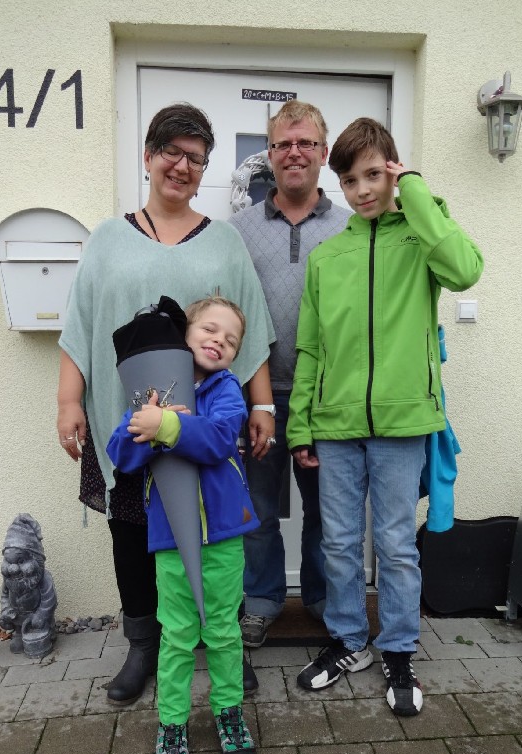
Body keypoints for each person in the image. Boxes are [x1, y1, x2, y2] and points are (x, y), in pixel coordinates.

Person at [57, 103, 275, 706]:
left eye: (195, 158)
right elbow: (79, 326)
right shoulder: (108, 239)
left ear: (204, 169)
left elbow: (252, 328)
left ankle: (222, 641)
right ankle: (143, 645)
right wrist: (69, 400)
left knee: (213, 531)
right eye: (171, 153)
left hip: (202, 426)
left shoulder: (225, 242)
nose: (182, 166)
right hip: (128, 420)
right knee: (133, 532)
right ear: (149, 157)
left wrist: (262, 407)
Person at [287, 117, 483, 716]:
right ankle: (350, 642)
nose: (363, 190)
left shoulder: (421, 239)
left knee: (396, 545)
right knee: (340, 543)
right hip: (336, 426)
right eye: (350, 180)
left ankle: (398, 648)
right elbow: (311, 347)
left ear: (393, 171)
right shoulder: (327, 256)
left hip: (402, 425)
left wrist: (415, 189)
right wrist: (300, 424)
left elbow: (465, 269)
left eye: (374, 175)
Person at [107, 295, 259, 754]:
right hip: (170, 540)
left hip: (224, 537)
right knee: (175, 635)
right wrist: (146, 425)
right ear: (184, 335)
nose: (219, 341)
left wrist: (168, 425)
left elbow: (218, 438)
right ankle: (172, 724)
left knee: (223, 631)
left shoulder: (226, 389)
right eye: (210, 329)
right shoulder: (150, 391)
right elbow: (120, 454)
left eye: (231, 339)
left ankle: (228, 713)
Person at [230, 100, 350, 648]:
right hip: (255, 398)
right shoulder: (237, 232)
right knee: (256, 512)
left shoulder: (352, 228)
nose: (294, 153)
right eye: (283, 144)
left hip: (328, 401)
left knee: (328, 513)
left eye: (305, 143)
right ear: (270, 154)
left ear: (324, 152)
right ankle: (261, 601)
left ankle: (325, 601)